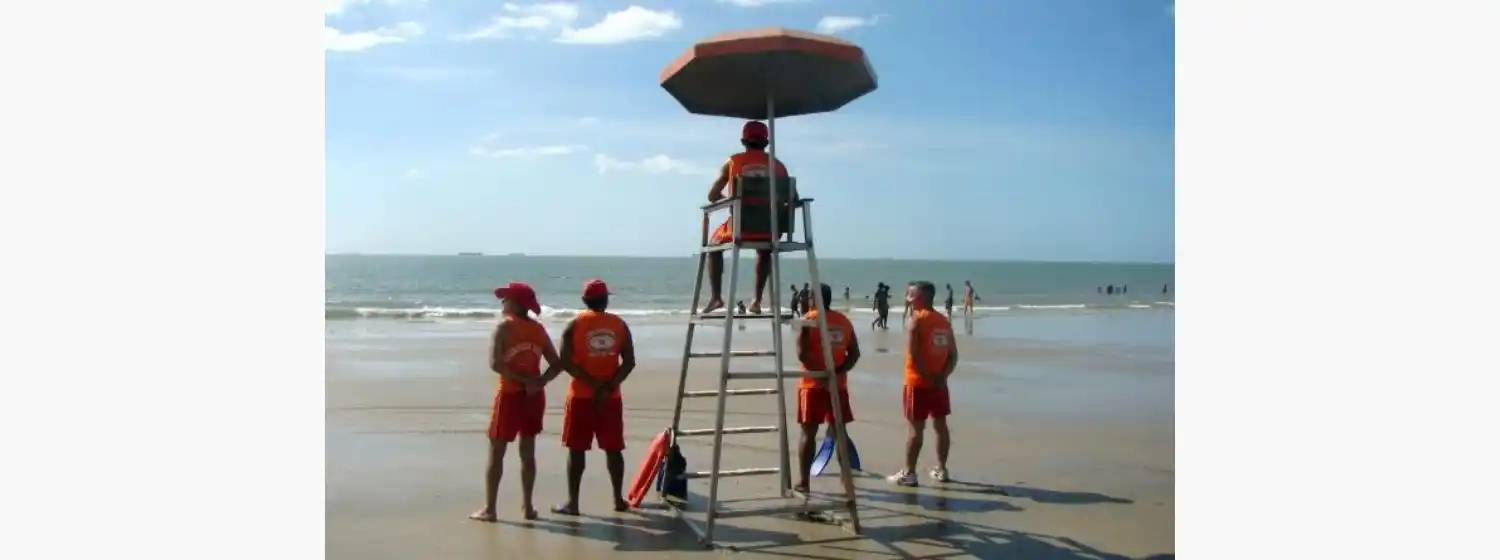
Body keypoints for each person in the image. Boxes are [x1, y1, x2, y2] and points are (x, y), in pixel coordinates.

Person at [471, 282, 563, 522]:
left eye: (506, 299)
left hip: (511, 395)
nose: (502, 303)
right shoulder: (538, 330)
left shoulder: (503, 328)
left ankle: (490, 509)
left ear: (516, 303)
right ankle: (528, 507)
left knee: (497, 450)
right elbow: (557, 364)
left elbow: (495, 363)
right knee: (527, 451)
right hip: (533, 397)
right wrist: (539, 381)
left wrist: (526, 381)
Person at [553, 279, 637, 515]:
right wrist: (609, 386)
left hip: (581, 396)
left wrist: (592, 384)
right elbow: (629, 362)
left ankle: (573, 503)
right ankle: (618, 499)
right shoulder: (619, 324)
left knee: (576, 450)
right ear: (606, 300)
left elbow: (565, 361)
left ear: (584, 300)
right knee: (613, 449)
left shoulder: (574, 325)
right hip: (610, 398)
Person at [702, 121, 790, 315]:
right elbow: (792, 198)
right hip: (769, 228)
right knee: (764, 250)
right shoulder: (777, 165)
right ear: (766, 141)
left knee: (713, 246)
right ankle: (757, 301)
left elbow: (712, 195)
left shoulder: (733, 162)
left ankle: (716, 297)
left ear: (743, 141)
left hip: (740, 226)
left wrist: (733, 202)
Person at [888, 281, 959, 487]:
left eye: (910, 294)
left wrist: (928, 376)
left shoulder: (916, 320)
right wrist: (942, 376)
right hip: (939, 383)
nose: (907, 297)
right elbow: (953, 355)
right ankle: (942, 469)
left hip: (917, 383)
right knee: (940, 426)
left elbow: (914, 355)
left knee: (915, 429)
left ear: (921, 297)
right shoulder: (943, 320)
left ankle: (909, 473)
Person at [794, 284, 860, 493]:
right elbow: (855, 353)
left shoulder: (808, 320)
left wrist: (820, 376)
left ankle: (804, 482)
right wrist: (837, 372)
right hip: (837, 385)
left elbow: (802, 354)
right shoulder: (843, 321)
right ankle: (846, 481)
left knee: (808, 434)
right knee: (840, 434)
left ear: (813, 298)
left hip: (812, 384)